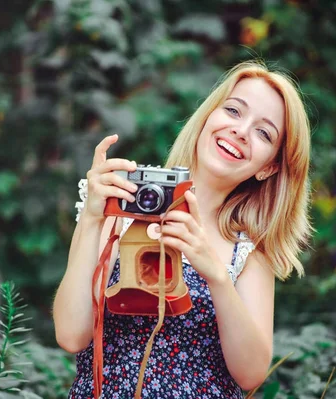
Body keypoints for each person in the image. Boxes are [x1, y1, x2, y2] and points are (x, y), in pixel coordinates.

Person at [53, 60, 312, 398]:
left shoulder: (248, 251)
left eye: (263, 133)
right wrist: (91, 219)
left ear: (269, 168)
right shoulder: (123, 206)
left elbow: (250, 375)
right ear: (208, 117)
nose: (241, 131)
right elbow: (71, 335)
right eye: (233, 111)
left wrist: (215, 273)